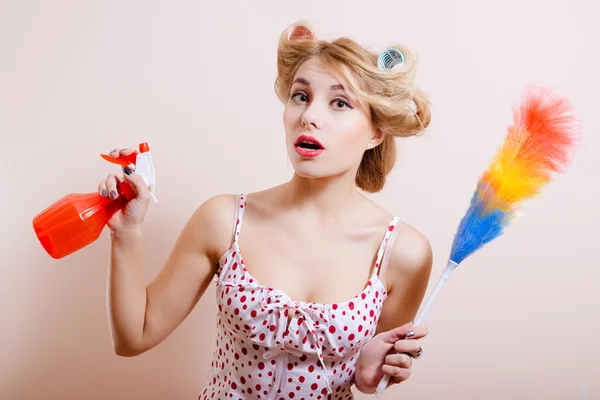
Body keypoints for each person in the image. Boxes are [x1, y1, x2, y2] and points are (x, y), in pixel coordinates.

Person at [99, 20, 434, 399]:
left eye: (339, 103)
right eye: (301, 96)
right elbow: (134, 336)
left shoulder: (403, 253)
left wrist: (369, 374)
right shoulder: (224, 221)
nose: (309, 116)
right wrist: (127, 234)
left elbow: (365, 379)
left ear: (375, 132)